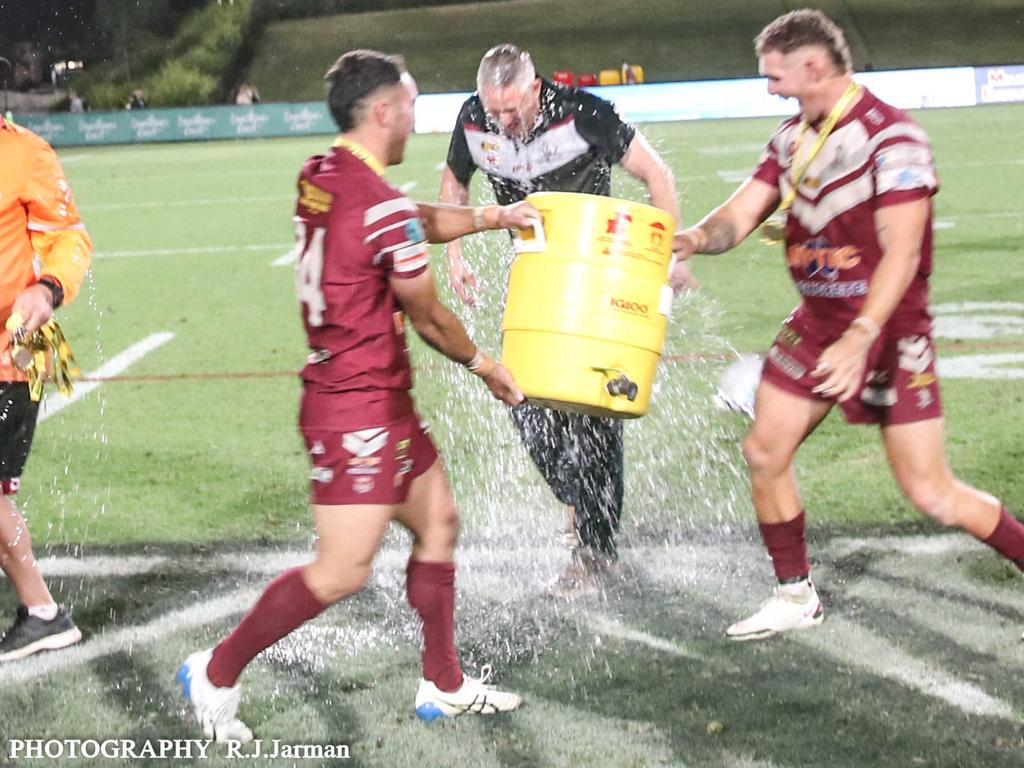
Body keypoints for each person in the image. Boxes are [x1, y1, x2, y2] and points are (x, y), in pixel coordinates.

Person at [177, 49, 540, 742]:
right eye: (409, 103)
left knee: (438, 524)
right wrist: (488, 366)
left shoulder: (323, 174)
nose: (415, 116)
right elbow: (429, 314)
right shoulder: (377, 204)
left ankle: (444, 682)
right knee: (342, 570)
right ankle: (215, 672)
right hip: (355, 404)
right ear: (383, 113)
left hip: (377, 397)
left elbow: (406, 219)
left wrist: (494, 218)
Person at [671, 9, 1024, 641]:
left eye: (775, 76)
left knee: (932, 492)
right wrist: (695, 237)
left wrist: (863, 337)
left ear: (812, 66)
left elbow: (904, 252)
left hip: (888, 333)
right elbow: (741, 214)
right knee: (764, 450)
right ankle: (794, 593)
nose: (769, 88)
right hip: (816, 323)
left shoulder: (894, 140)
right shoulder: (789, 139)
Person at [439, 44, 697, 596]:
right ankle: (583, 506)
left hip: (596, 276)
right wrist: (455, 255)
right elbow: (454, 183)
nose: (503, 122)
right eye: (493, 110)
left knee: (596, 410)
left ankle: (597, 554)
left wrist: (669, 259)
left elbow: (658, 177)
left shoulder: (584, 113)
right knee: (520, 396)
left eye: (512, 110)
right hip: (533, 275)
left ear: (535, 88)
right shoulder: (471, 118)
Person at [0, 113, 92, 661]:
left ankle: (44, 613)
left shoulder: (27, 153)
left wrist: (48, 288)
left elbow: (71, 237)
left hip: (17, 346)